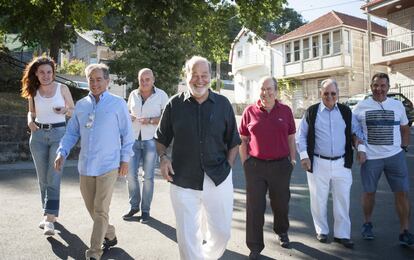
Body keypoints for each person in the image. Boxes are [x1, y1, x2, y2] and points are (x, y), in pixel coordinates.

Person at [154, 56, 240, 260]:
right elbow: (160, 138)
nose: (199, 80)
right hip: (182, 178)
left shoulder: (223, 104)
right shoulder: (174, 104)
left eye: (204, 75)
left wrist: (227, 166)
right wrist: (163, 157)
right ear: (186, 76)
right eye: (195, 75)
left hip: (218, 178)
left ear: (211, 76)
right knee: (186, 237)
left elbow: (234, 141)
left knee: (222, 233)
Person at [54, 63, 134, 260]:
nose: (95, 83)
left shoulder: (118, 104)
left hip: (109, 165)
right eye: (91, 79)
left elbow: (128, 134)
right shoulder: (81, 105)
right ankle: (110, 233)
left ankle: (94, 252)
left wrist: (125, 160)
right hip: (86, 166)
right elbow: (72, 133)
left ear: (107, 81)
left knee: (100, 209)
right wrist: (61, 152)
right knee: (93, 209)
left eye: (99, 79)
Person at [353, 73, 413, 246]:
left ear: (388, 87)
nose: (379, 89)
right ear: (371, 86)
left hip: (395, 157)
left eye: (383, 86)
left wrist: (403, 149)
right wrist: (359, 147)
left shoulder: (397, 105)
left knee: (402, 193)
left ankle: (404, 231)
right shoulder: (360, 107)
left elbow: (405, 129)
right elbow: (353, 131)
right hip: (371, 158)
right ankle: (367, 223)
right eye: (376, 85)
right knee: (369, 193)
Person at [296, 79, 354, 249]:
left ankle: (342, 234)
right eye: (326, 93)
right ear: (320, 93)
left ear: (338, 94)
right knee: (318, 199)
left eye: (333, 93)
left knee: (342, 199)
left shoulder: (345, 111)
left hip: (342, 163)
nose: (330, 96)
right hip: (318, 162)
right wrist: (304, 156)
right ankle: (321, 230)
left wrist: (361, 146)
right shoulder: (312, 112)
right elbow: (301, 137)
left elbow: (355, 131)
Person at [21, 56, 74, 236]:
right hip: (37, 137)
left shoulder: (62, 88)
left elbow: (74, 110)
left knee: (54, 176)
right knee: (43, 179)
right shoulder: (33, 91)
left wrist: (65, 110)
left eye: (49, 72)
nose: (46, 75)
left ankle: (49, 218)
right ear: (36, 73)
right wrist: (30, 121)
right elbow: (31, 111)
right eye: (42, 72)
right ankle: (48, 213)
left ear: (53, 73)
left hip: (59, 135)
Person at [123, 68, 168, 222]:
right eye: (141, 79)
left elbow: (166, 118)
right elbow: (127, 112)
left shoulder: (161, 95)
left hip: (151, 140)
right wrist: (129, 116)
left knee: (148, 177)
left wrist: (149, 120)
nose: (144, 82)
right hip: (133, 139)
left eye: (147, 79)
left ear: (153, 80)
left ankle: (145, 211)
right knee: (130, 175)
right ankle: (134, 206)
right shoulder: (133, 94)